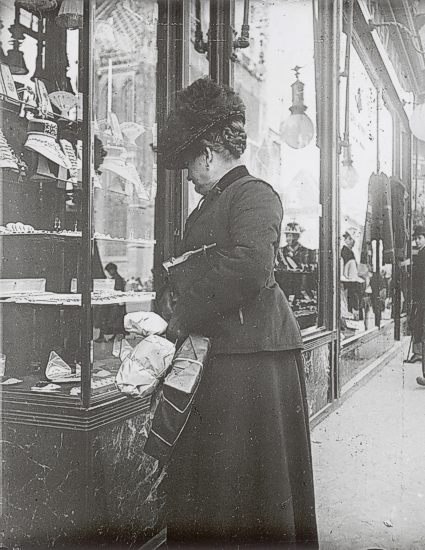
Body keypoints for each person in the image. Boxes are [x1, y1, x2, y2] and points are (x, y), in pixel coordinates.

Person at [159, 77, 317, 548]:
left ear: (208, 152)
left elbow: (248, 267)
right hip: (228, 358)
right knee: (225, 488)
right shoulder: (216, 202)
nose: (187, 174)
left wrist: (179, 316)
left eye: (189, 162)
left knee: (247, 490)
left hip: (253, 365)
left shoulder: (254, 194)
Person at [406, 226, 425, 377]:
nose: (417, 241)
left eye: (420, 238)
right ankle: (418, 354)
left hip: (422, 297)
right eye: (416, 238)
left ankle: (419, 354)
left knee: (420, 327)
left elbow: (420, 279)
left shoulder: (423, 254)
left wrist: (417, 298)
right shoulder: (421, 253)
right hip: (420, 297)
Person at [94, 262, 125, 342]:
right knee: (113, 320)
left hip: (115, 304)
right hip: (114, 303)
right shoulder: (115, 278)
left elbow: (117, 290)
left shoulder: (117, 279)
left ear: (113, 270)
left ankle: (113, 337)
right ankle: (108, 336)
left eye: (109, 270)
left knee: (114, 321)